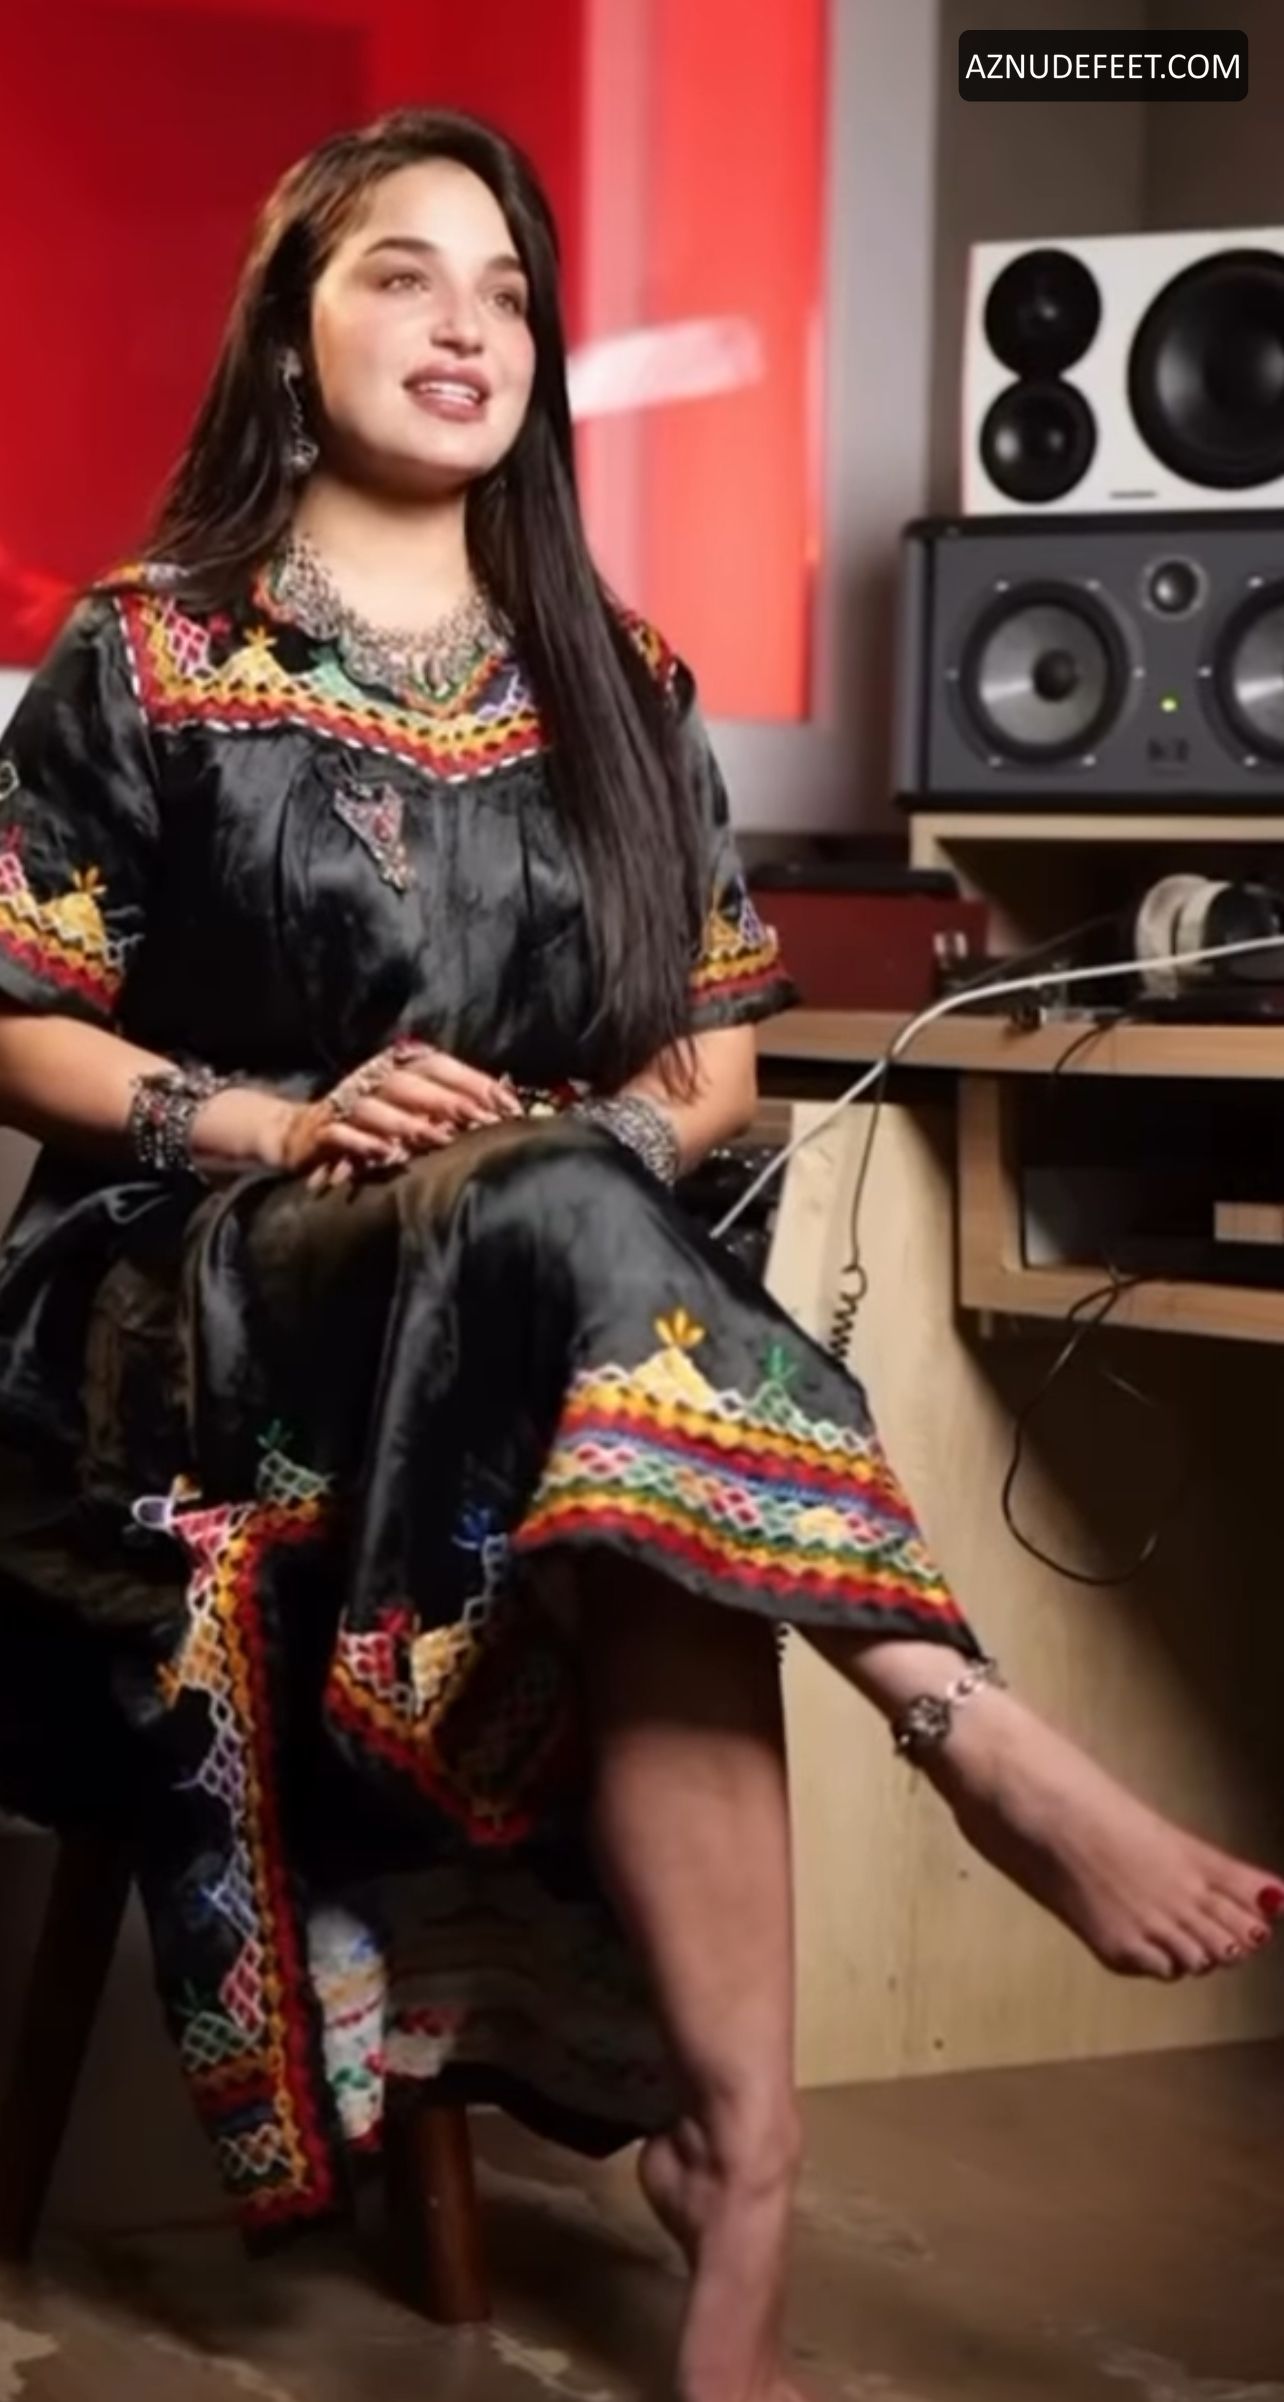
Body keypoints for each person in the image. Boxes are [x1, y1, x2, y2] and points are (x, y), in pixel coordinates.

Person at [0, 106, 1277, 2402]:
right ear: (291, 334)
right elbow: (16, 1017)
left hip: (530, 1305)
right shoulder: (153, 650)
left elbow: (711, 1074)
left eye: (506, 292)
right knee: (579, 1262)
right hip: (203, 1305)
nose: (465, 325)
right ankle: (959, 1719)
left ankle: (745, 2175)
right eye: (403, 275)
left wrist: (559, 1155)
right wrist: (282, 1118)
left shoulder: (621, 674)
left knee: (604, 1335)